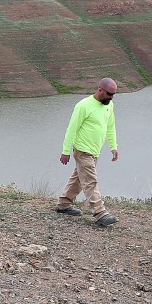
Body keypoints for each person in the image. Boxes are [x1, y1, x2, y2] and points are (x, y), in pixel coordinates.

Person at [55, 77, 119, 227]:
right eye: (109, 94)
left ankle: (63, 204)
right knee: (90, 181)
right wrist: (65, 151)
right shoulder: (83, 106)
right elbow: (72, 129)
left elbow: (110, 127)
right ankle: (100, 214)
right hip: (83, 151)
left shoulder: (109, 105)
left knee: (78, 178)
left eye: (113, 95)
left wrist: (113, 146)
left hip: (95, 151)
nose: (111, 97)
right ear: (100, 90)